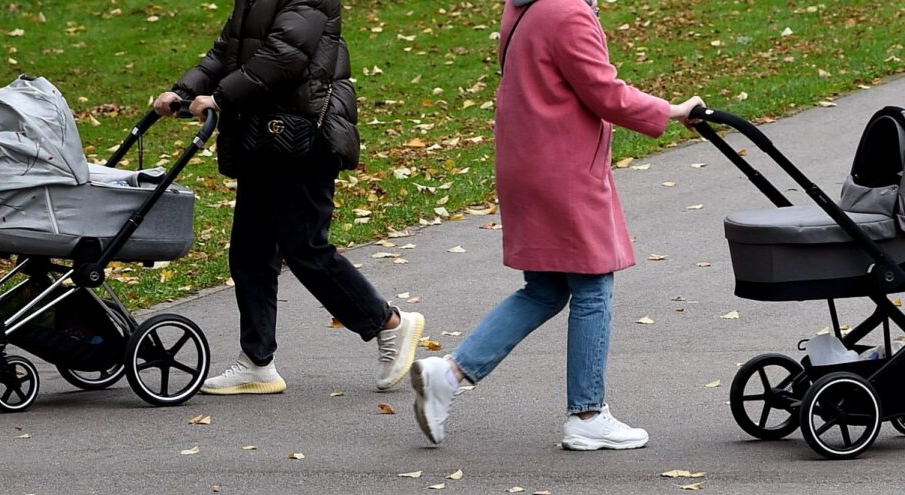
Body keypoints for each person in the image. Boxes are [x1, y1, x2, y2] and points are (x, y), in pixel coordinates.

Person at [410, 0, 704, 448]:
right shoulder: (567, 12)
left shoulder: (522, 7)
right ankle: (587, 414)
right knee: (593, 285)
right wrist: (673, 110)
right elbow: (605, 93)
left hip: (528, 161)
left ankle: (448, 374)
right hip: (562, 169)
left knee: (546, 289)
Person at [153, 0, 424, 395]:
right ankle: (257, 363)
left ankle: (389, 324)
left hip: (302, 140)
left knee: (306, 248)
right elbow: (226, 52)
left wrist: (221, 98)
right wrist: (183, 90)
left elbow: (284, 58)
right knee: (250, 253)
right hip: (263, 140)